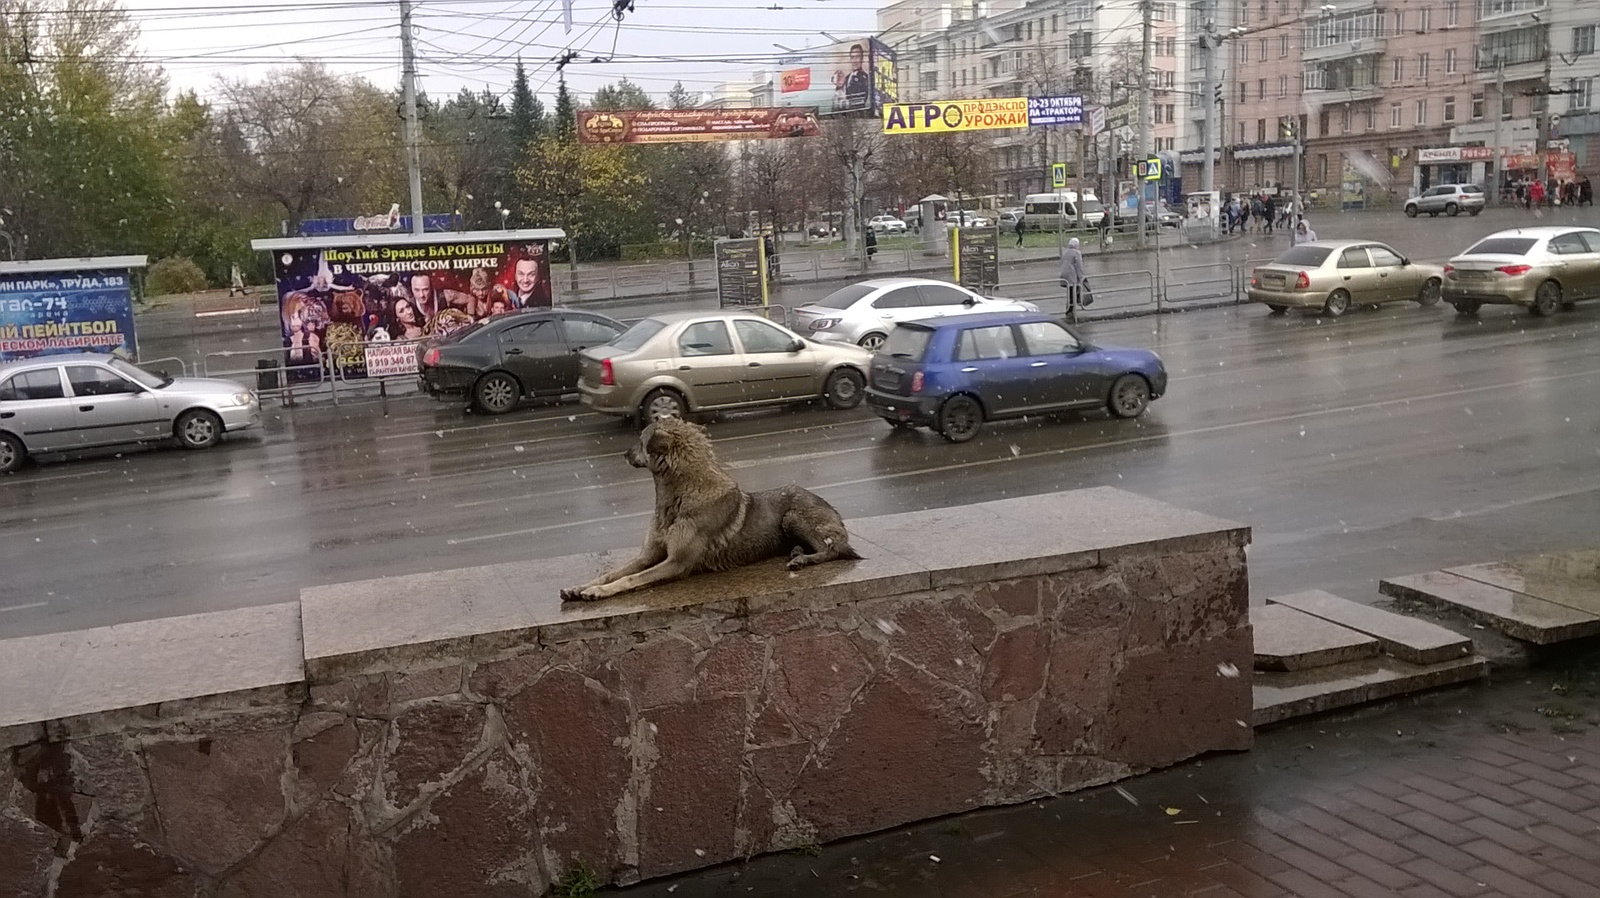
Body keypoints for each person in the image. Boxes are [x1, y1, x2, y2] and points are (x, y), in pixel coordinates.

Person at [835, 43, 871, 111]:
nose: (855, 61)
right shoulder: (847, 77)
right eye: (852, 57)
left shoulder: (864, 78)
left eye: (857, 57)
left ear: (862, 58)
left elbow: (859, 100)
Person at [1059, 237, 1089, 311]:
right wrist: (1082, 277)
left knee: (1070, 291)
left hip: (1064, 274)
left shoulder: (1066, 252)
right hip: (1071, 275)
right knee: (1073, 291)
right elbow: (1079, 266)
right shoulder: (1077, 253)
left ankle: (1069, 307)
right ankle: (1071, 308)